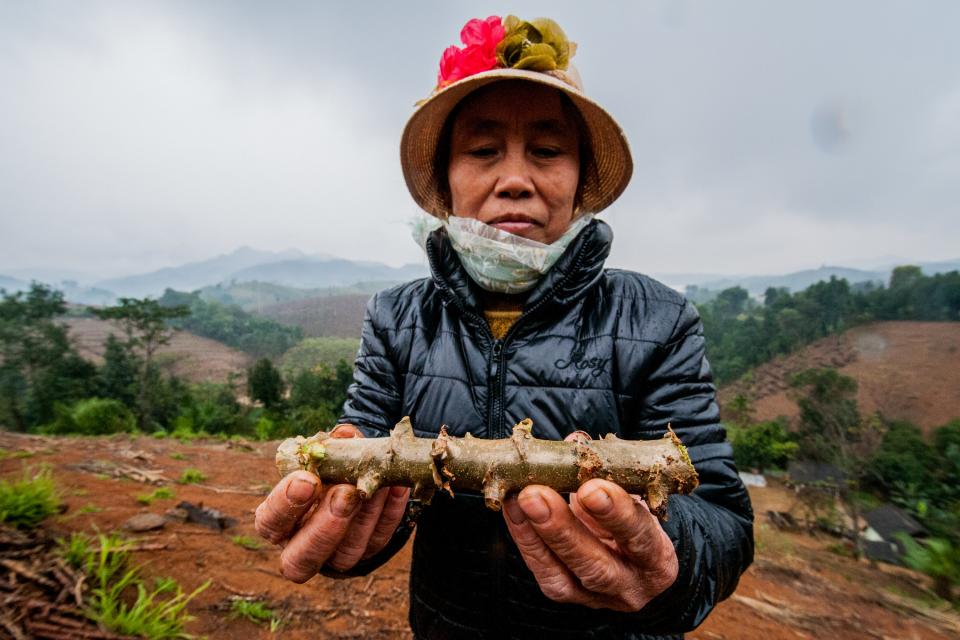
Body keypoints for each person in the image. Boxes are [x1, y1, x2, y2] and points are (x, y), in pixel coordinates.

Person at [255, 15, 753, 640]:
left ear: (578, 185)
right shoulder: (395, 318)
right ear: (444, 183)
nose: (515, 179)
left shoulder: (658, 320)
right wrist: (347, 530)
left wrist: (661, 554)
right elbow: (379, 488)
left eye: (547, 151)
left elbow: (722, 520)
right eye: (483, 150)